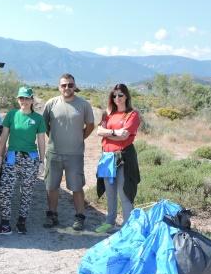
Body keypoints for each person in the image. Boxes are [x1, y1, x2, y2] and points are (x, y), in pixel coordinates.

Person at [0, 86, 46, 235]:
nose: (24, 101)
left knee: (26, 192)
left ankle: (22, 222)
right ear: (18, 99)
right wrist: (0, 156)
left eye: (27, 98)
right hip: (12, 157)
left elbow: (41, 140)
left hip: (31, 159)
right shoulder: (12, 115)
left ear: (32, 100)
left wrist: (42, 161)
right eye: (21, 98)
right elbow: (3, 137)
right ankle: (5, 225)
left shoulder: (38, 119)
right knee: (5, 191)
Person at [42, 73, 94, 231]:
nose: (67, 88)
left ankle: (79, 217)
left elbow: (90, 125)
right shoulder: (51, 103)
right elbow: (45, 125)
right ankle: (52, 215)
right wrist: (54, 138)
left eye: (70, 85)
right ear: (59, 87)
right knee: (52, 186)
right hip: (54, 153)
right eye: (64, 85)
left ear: (75, 86)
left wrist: (79, 138)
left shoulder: (84, 104)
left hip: (75, 154)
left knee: (76, 187)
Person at [95, 83, 140, 233]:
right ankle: (110, 222)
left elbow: (124, 136)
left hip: (124, 158)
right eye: (114, 95)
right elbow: (99, 132)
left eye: (120, 95)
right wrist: (115, 132)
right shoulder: (108, 114)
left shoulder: (132, 115)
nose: (117, 98)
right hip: (107, 158)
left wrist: (108, 132)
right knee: (110, 193)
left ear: (126, 96)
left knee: (124, 192)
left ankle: (127, 228)